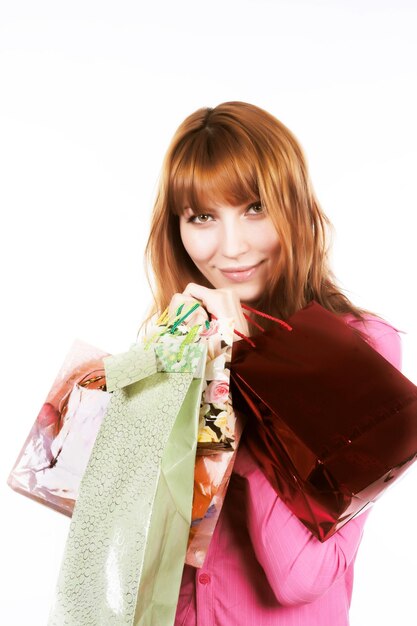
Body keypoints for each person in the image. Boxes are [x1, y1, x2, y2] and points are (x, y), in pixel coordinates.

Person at [141, 101, 402, 626]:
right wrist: (151, 381)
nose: (232, 247)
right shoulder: (180, 343)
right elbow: (132, 548)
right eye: (203, 217)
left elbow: (300, 578)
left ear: (296, 206)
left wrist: (245, 387)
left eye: (255, 208)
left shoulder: (360, 353)